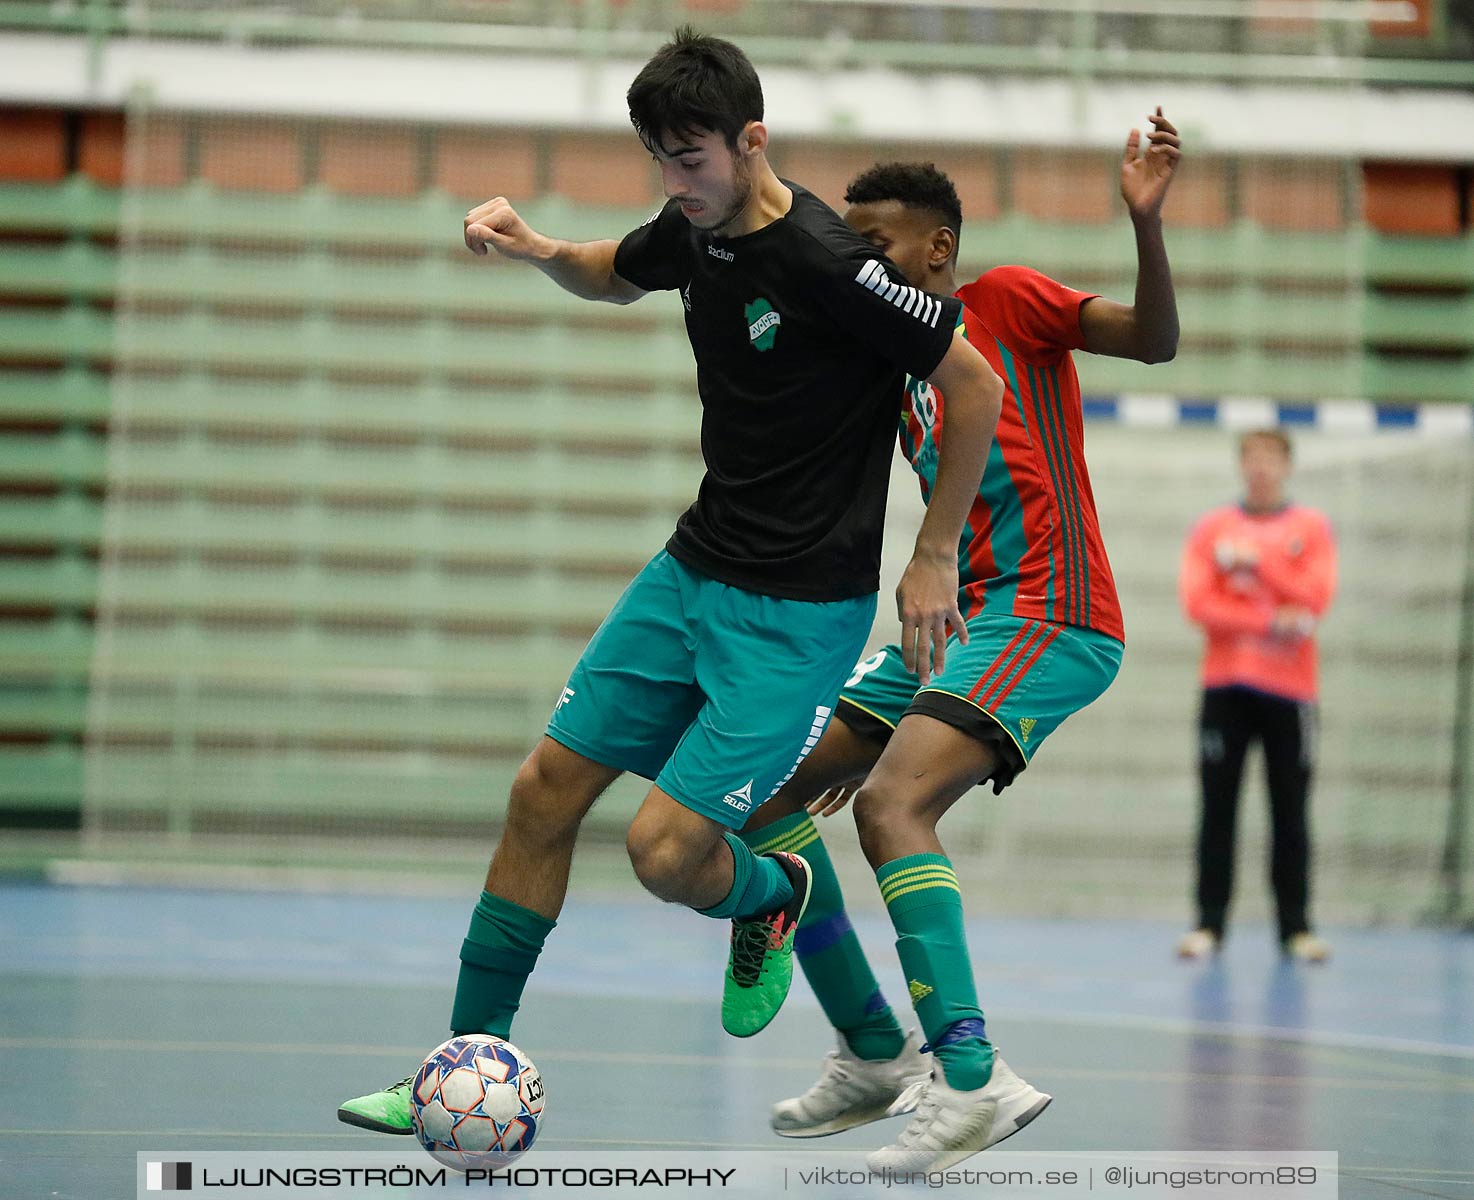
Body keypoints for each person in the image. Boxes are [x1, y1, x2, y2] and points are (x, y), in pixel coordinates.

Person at [336, 28, 1006, 1134]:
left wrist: (932, 553)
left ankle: (774, 893)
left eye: (689, 158)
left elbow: (971, 382)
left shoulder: (833, 265)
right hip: (690, 573)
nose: (672, 182)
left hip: (796, 619)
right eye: (658, 158)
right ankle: (451, 1075)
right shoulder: (696, 229)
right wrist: (536, 245)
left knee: (662, 854)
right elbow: (614, 273)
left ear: (751, 141)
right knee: (540, 793)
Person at [736, 110, 1183, 1170]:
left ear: (936, 247)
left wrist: (1145, 225)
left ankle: (973, 1076)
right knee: (756, 804)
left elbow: (1154, 341)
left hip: (1050, 612)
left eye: (874, 240)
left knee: (892, 805)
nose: (857, 258)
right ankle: (871, 1046)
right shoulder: (886, 360)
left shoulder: (1006, 301)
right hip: (957, 630)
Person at [1176, 429, 1337, 963]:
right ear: (1241, 465)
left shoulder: (1309, 529)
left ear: (1286, 465)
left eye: (1272, 458)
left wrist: (1252, 563)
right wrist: (1271, 617)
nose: (1262, 468)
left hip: (1291, 692)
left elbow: (1314, 599)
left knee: (1290, 810)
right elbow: (1200, 604)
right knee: (1217, 809)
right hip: (1225, 688)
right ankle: (1208, 925)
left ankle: (1296, 928)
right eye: (1253, 458)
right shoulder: (1212, 529)